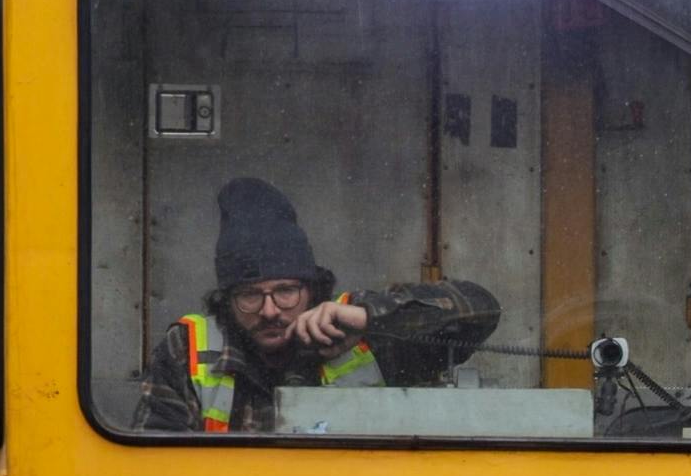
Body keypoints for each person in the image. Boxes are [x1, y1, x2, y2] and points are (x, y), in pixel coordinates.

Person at [137, 176, 501, 434]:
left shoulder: (363, 330)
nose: (269, 311)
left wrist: (368, 317)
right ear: (226, 301)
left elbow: (481, 310)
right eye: (249, 295)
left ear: (312, 291)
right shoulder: (189, 348)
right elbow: (152, 467)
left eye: (286, 291)